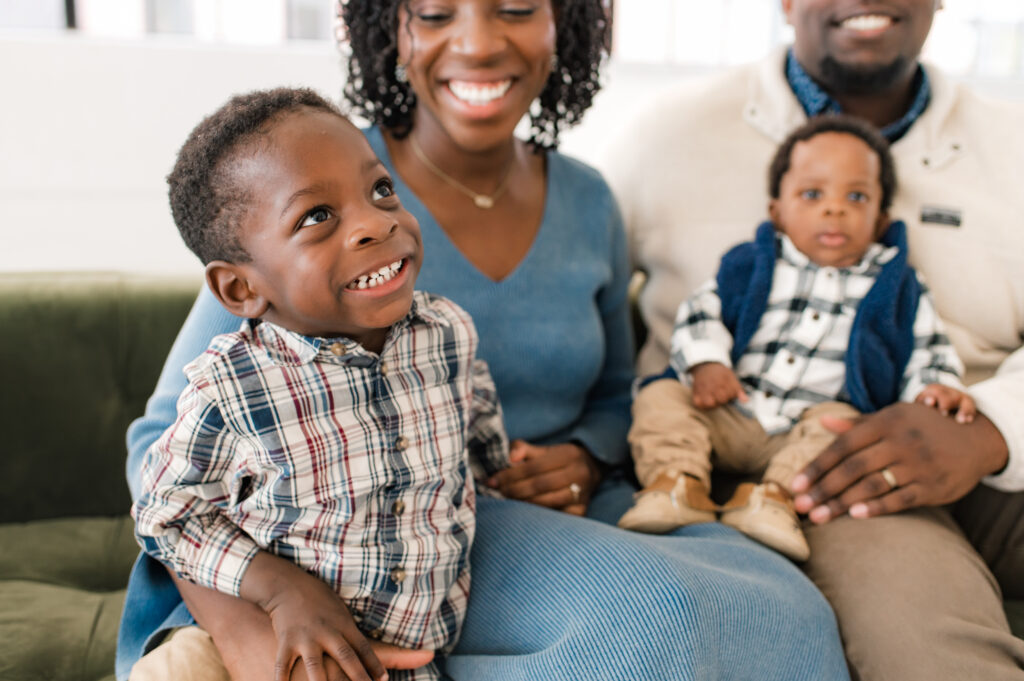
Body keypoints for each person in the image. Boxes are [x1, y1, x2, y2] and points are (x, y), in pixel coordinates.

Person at [117, 2, 852, 680]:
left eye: (516, 7)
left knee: (781, 608)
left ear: (563, 24)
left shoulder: (588, 200)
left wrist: (588, 459)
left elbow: (612, 394)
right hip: (342, 546)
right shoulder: (299, 177)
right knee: (659, 625)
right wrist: (257, 617)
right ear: (391, 33)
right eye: (436, 11)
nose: (477, 40)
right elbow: (164, 451)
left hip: (520, 511)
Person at [603, 0, 1024, 677]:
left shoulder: (1013, 142)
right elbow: (579, 300)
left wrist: (994, 429)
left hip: (978, 434)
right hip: (821, 464)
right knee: (932, 648)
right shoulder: (667, 135)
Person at [130, 87, 510, 681]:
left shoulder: (448, 332)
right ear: (240, 290)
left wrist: (502, 470)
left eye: (380, 190)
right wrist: (281, 594)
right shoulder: (233, 387)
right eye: (316, 217)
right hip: (265, 646)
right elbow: (165, 514)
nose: (373, 225)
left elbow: (476, 419)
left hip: (406, 657)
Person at [618, 115, 974, 563]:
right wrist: (707, 364)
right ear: (777, 211)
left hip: (808, 428)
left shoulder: (896, 286)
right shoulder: (750, 265)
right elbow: (700, 312)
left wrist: (936, 389)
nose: (834, 208)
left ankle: (775, 500)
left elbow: (926, 348)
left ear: (881, 219)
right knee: (662, 396)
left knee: (847, 427)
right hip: (731, 409)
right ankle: (676, 483)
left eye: (856, 196)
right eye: (812, 194)